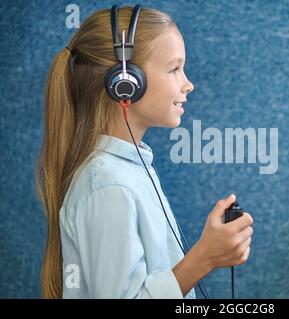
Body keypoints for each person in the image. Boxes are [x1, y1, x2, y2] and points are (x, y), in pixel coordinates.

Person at [34, 5, 253, 299]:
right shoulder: (108, 185)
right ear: (126, 83)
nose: (188, 84)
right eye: (175, 69)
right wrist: (204, 257)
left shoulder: (131, 169)